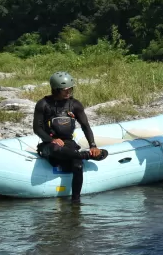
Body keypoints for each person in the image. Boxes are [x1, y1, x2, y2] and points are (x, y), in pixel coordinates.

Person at [33, 71, 108, 204]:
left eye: (71, 89)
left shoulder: (75, 105)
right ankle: (84, 155)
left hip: (68, 144)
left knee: (78, 166)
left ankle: (76, 202)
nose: (69, 92)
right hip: (49, 144)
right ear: (56, 89)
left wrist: (93, 145)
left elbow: (85, 126)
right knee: (56, 149)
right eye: (65, 90)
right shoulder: (43, 104)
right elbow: (37, 128)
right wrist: (51, 140)